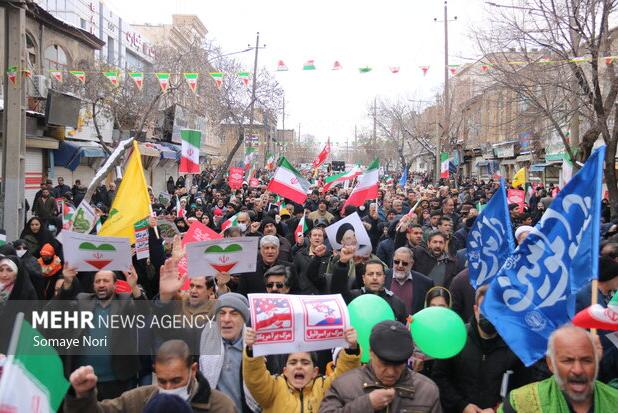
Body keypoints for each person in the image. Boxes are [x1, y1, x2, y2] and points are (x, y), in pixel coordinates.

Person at [64, 339, 236, 413]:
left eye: (176, 381)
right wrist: (82, 395)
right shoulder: (137, 400)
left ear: (192, 370)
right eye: (162, 381)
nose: (168, 388)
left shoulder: (220, 406)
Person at [52, 264, 144, 400]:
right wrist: (67, 283)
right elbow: (59, 311)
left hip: (116, 380)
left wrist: (134, 287)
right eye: (97, 281)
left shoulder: (125, 301)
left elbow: (144, 312)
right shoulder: (82, 300)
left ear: (115, 285)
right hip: (84, 379)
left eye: (106, 281)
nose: (101, 284)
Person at [432, 285, 529, 413]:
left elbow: (522, 388)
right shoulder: (455, 337)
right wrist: (462, 405)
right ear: (476, 309)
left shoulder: (515, 346)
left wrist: (499, 408)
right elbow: (440, 377)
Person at [320, 320, 442, 412]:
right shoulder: (344, 386)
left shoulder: (427, 391)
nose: (390, 372)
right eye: (384, 364)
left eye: (398, 364)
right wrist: (367, 404)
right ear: (371, 353)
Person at [499, 325, 618, 412]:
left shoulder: (614, 401)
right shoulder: (520, 404)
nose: (578, 370)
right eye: (568, 360)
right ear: (551, 363)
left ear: (596, 362)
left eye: (586, 360)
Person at [242, 327, 361, 413]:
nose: (299, 366)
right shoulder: (273, 388)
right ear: (285, 370)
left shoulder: (325, 387)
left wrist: (351, 348)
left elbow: (345, 378)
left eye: (305, 362)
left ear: (315, 371)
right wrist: (252, 349)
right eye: (293, 362)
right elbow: (255, 379)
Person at [199, 293, 260, 412]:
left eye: (234, 313)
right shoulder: (205, 338)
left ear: (244, 319)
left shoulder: (256, 346)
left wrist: (253, 354)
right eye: (221, 313)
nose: (226, 319)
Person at [331, 246, 407, 323]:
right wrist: (342, 263)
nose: (374, 278)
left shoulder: (396, 303)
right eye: (370, 274)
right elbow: (338, 292)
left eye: (378, 274)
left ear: (384, 278)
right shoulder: (354, 298)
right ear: (363, 278)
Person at [385, 247, 434, 316]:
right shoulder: (383, 277)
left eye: (405, 263)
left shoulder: (425, 283)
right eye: (396, 262)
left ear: (411, 263)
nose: (400, 265)